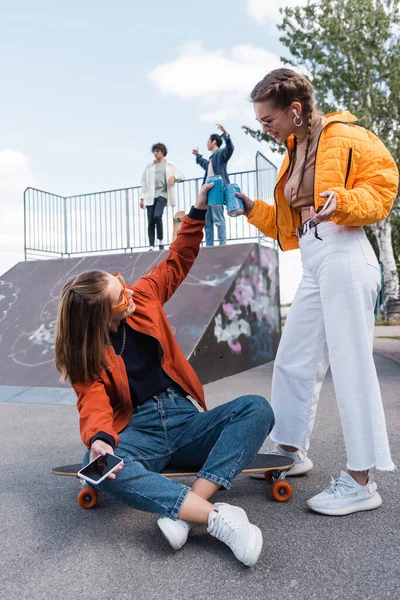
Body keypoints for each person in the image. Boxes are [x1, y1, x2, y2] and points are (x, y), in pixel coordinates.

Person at [54, 183, 275, 566]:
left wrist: (198, 211)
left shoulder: (144, 298)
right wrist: (100, 441)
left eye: (122, 283)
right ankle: (217, 519)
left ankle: (187, 510)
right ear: (100, 319)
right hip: (138, 432)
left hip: (185, 419)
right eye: (119, 296)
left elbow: (176, 260)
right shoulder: (85, 357)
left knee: (256, 408)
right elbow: (92, 403)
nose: (129, 292)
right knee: (101, 469)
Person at [236, 68, 398, 516]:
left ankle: (362, 480)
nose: (263, 127)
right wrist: (250, 208)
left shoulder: (347, 134)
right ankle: (289, 449)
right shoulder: (293, 150)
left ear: (294, 110)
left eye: (267, 120)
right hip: (313, 257)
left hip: (345, 252)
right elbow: (290, 223)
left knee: (350, 365)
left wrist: (343, 202)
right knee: (294, 358)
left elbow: (384, 188)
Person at [192, 124, 234, 247]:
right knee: (207, 221)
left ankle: (222, 245)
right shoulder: (211, 159)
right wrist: (198, 156)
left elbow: (230, 148)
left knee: (218, 218)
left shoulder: (221, 154)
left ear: (213, 141)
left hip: (217, 190)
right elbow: (206, 165)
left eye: (208, 141)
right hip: (208, 190)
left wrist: (225, 134)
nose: (207, 144)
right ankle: (209, 246)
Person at [140, 143, 184, 250]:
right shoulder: (149, 166)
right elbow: (144, 182)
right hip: (150, 196)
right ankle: (151, 245)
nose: (155, 153)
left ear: (162, 152)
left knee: (157, 216)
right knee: (150, 221)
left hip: (163, 194)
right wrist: (142, 198)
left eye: (157, 151)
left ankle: (161, 240)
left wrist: (173, 177)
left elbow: (182, 176)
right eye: (154, 151)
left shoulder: (169, 165)